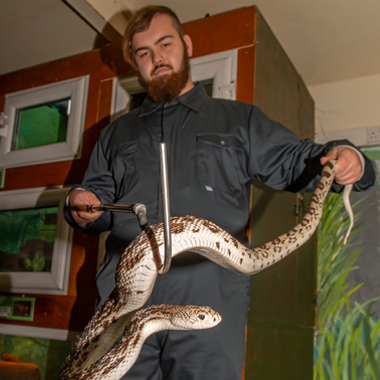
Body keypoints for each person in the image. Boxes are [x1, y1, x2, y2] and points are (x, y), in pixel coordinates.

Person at [64, 5, 375, 380]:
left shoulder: (239, 119)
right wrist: (78, 205)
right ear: (134, 62)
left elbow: (301, 160)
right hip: (122, 299)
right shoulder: (115, 133)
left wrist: (349, 155)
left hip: (207, 297)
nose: (156, 57)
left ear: (187, 44)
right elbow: (95, 196)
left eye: (165, 43)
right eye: (143, 52)